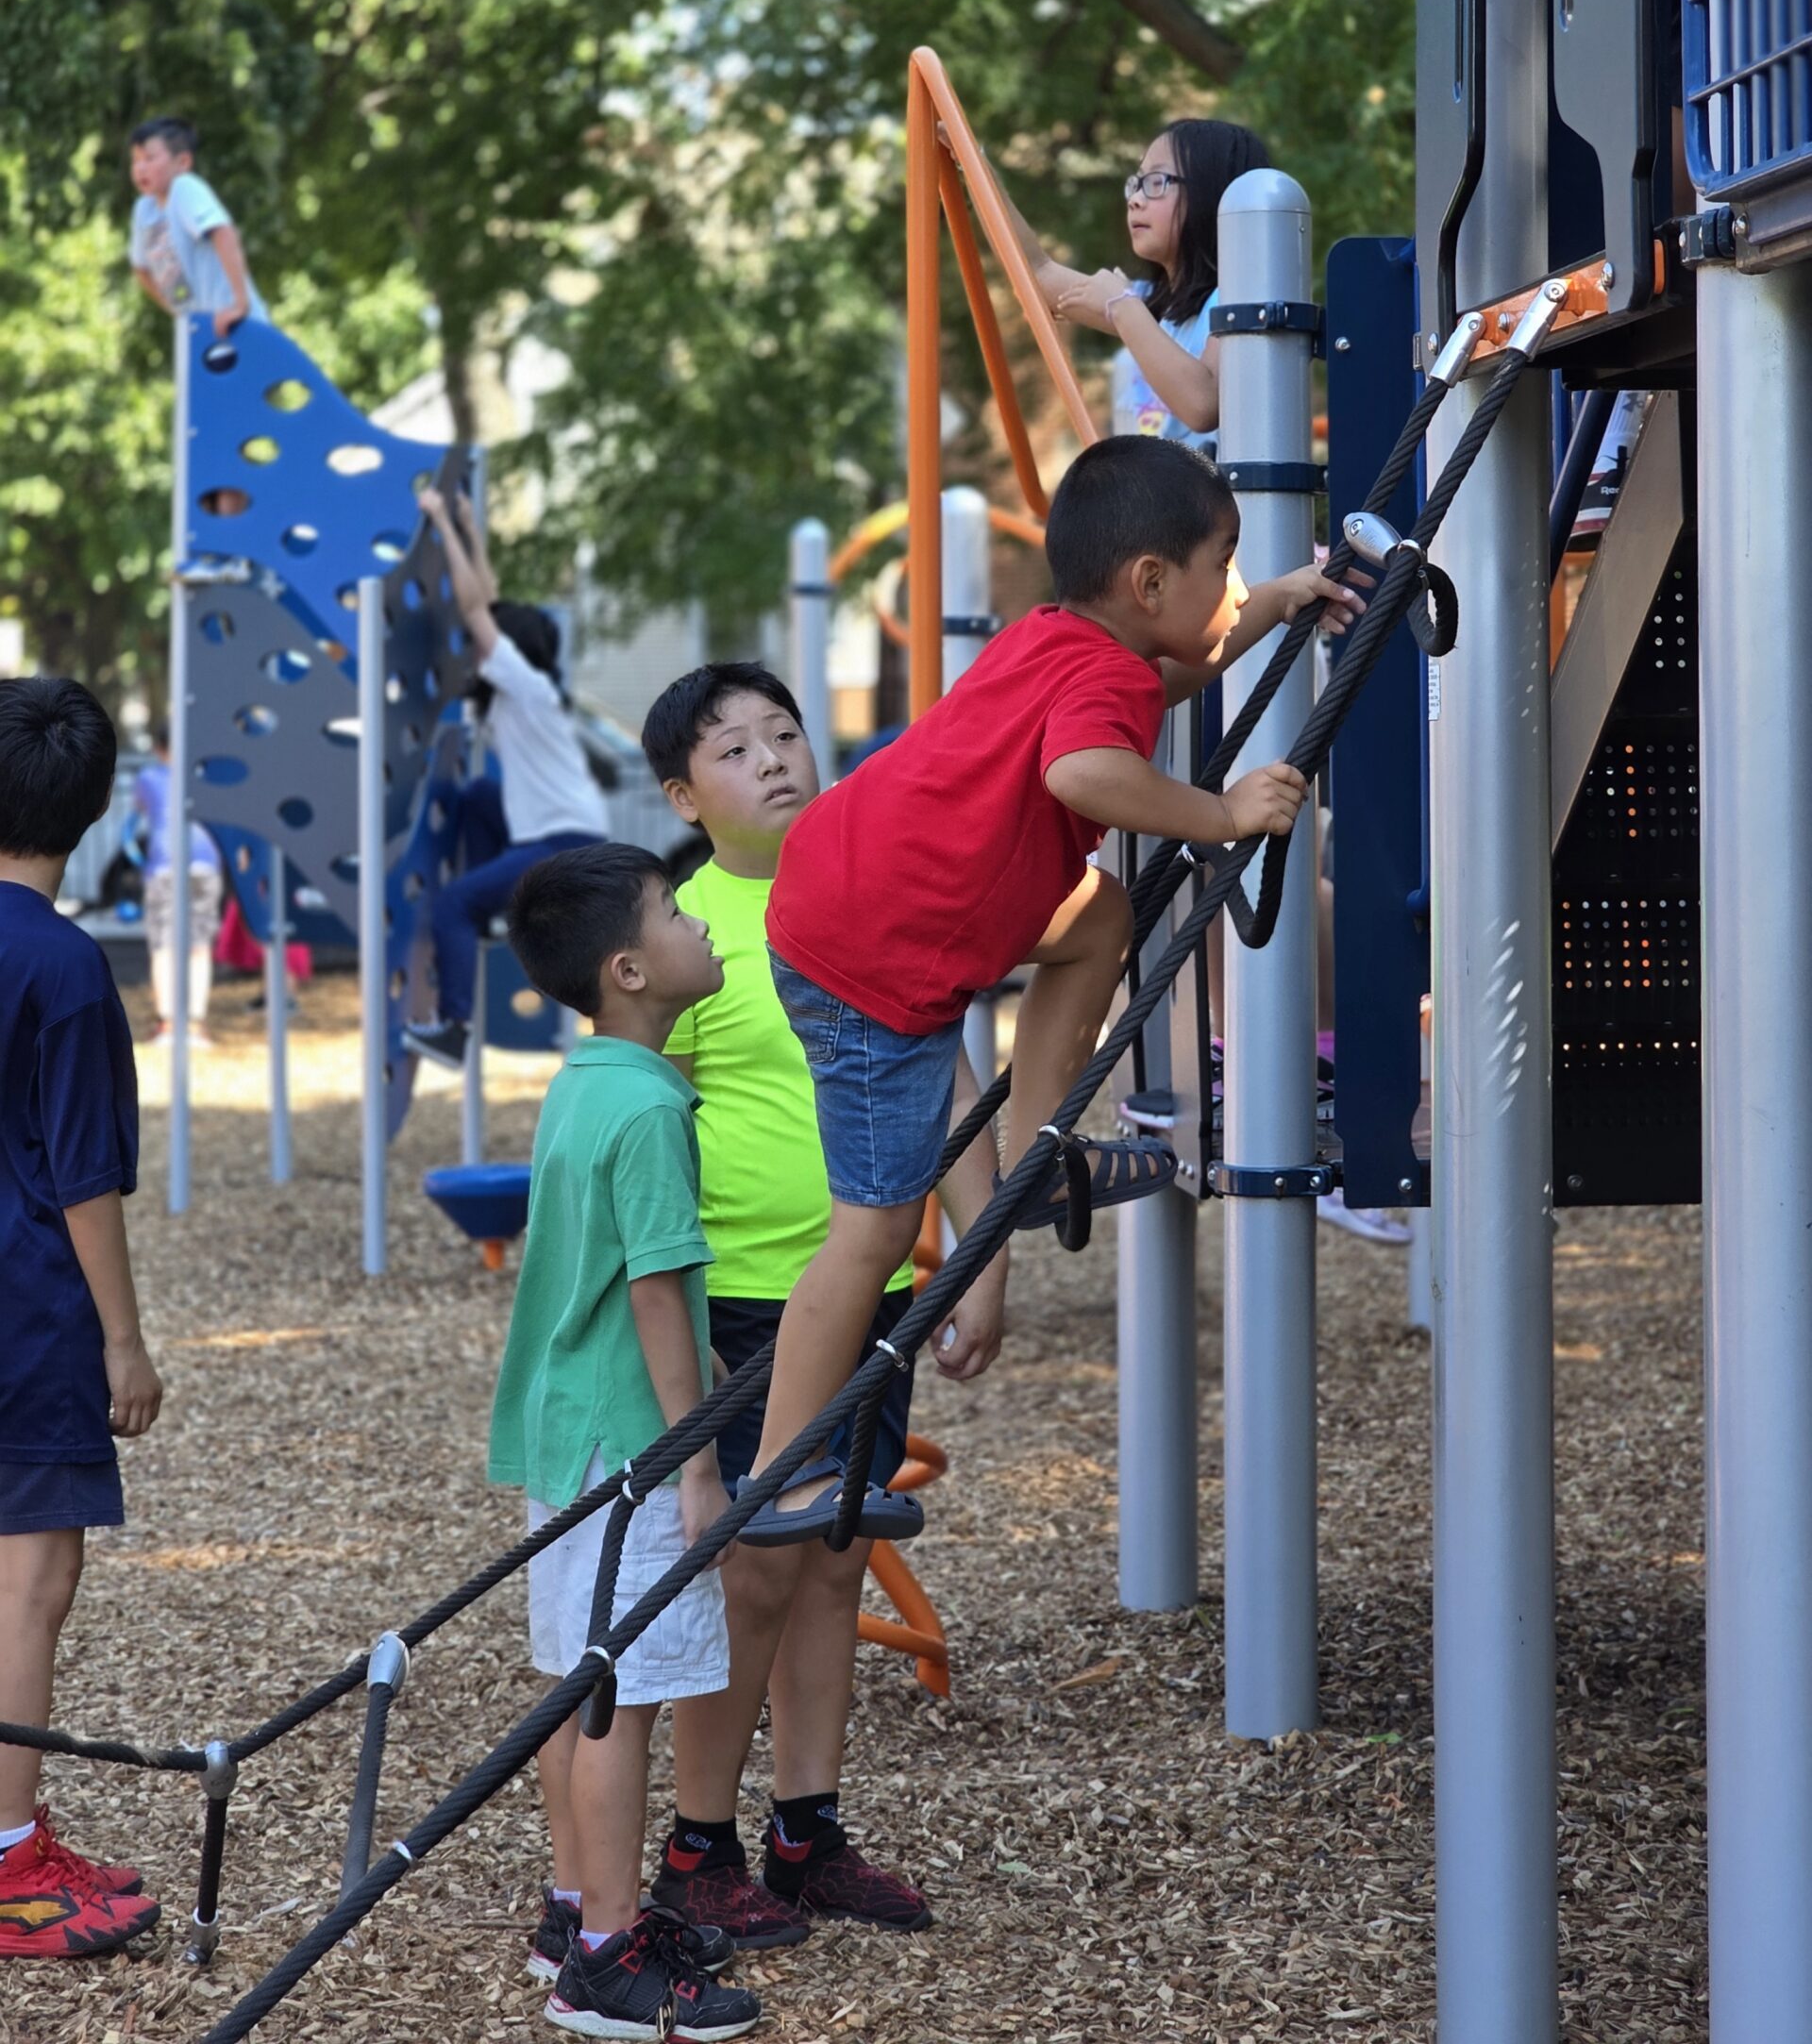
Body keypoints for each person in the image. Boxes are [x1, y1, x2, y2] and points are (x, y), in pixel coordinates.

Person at [744, 436, 1366, 1538]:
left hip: (865, 895)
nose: (1233, 584)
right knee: (873, 1233)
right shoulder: (1105, 678)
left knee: (1100, 918)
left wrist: (1269, 606)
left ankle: (1036, 1155)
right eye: (1224, 565)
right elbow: (1083, 770)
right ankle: (778, 1471)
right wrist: (1222, 813)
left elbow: (1167, 677)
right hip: (872, 956)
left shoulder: (1058, 638)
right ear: (1150, 582)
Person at [627, 662, 998, 1952]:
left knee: (835, 1561)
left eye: (784, 733)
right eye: (734, 749)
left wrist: (981, 1260)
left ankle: (806, 1833)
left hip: (876, 1293)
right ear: (684, 795)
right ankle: (698, 1847)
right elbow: (645, 1125)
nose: (774, 758)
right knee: (756, 1571)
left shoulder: (870, 893)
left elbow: (949, 1079)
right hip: (745, 1303)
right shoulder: (684, 932)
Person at [491, 841, 761, 2041]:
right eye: (674, 911)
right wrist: (699, 1461)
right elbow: (657, 1286)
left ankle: (574, 1905)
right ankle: (605, 1957)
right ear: (629, 970)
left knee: (578, 1681)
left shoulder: (584, 1081)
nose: (698, 923)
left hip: (569, 1431)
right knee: (621, 1698)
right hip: (632, 1448)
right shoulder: (651, 1106)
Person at [0, 677, 164, 1960]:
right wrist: (124, 1338)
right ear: (97, 808)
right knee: (31, 1579)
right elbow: (82, 1178)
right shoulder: (62, 966)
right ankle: (10, 1859)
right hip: (27, 1313)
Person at [403, 486, 610, 1069]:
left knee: (451, 905)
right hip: (562, 834)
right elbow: (488, 604)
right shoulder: (523, 693)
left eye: (483, 647)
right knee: (477, 795)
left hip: (564, 844)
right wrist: (472, 529)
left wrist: (441, 520)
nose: (474, 652)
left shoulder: (526, 687)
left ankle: (454, 1029)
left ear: (507, 650)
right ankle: (497, 912)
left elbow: (476, 610)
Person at [979, 115, 1271, 447]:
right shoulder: (1155, 309)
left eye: (1157, 182)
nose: (1134, 199)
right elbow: (1035, 272)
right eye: (1137, 183)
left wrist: (1121, 305)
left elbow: (1202, 404)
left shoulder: (1239, 296)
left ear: (1210, 193)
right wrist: (976, 166)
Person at [126, 116, 268, 340]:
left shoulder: (184, 188)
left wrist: (241, 305)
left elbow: (224, 232)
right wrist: (183, 316)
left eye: (150, 158)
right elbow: (141, 268)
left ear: (182, 162)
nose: (140, 168)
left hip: (240, 324)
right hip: (206, 333)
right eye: (135, 160)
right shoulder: (145, 211)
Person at [132, 727, 224, 1047]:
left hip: (165, 863)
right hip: (206, 860)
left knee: (164, 945)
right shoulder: (206, 777)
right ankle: (196, 1024)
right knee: (199, 944)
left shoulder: (148, 777)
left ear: (158, 747)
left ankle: (168, 1023)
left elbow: (140, 811)